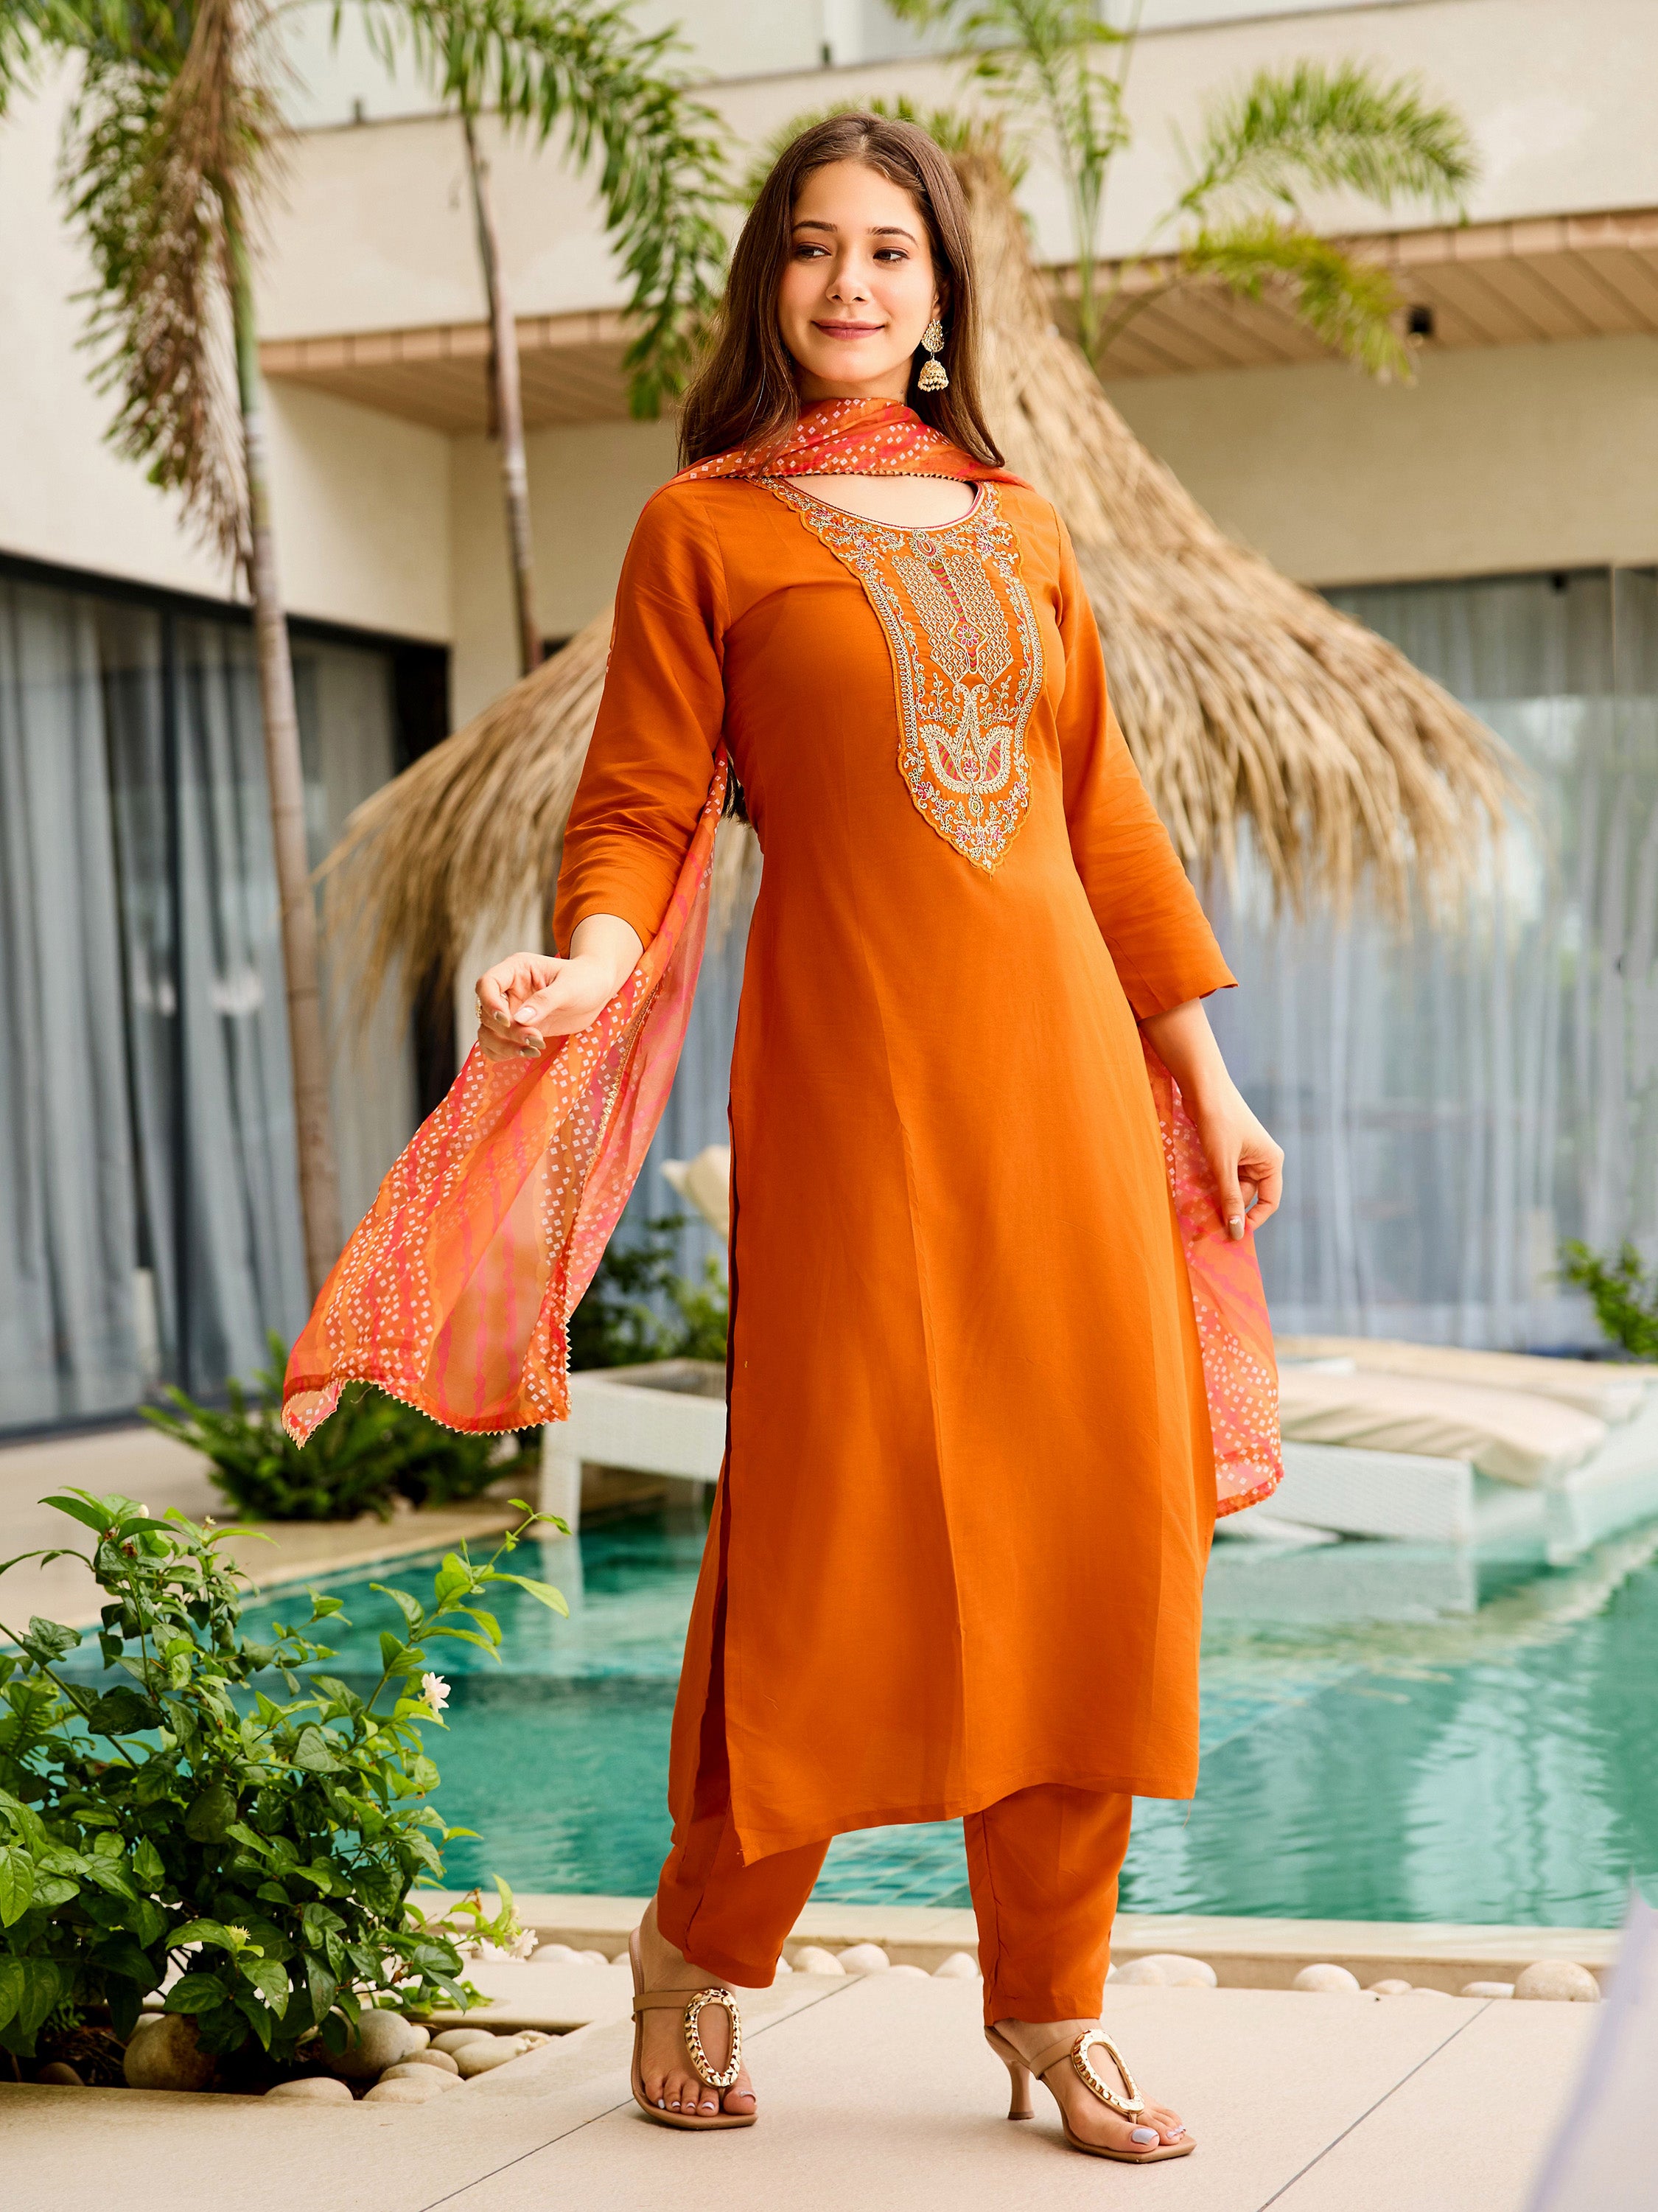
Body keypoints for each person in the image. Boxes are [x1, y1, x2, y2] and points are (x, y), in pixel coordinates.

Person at [471, 114, 1283, 2164]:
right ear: (770, 285)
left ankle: (1052, 2010)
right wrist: (586, 964)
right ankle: (694, 1947)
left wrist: (1200, 1068)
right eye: (817, 250)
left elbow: (1099, 815)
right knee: (830, 1531)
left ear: (940, 301)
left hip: (1069, 1091)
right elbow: (642, 804)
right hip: (848, 1092)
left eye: (891, 254)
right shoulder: (706, 530)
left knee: (1090, 1519)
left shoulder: (1017, 526)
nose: (852, 282)